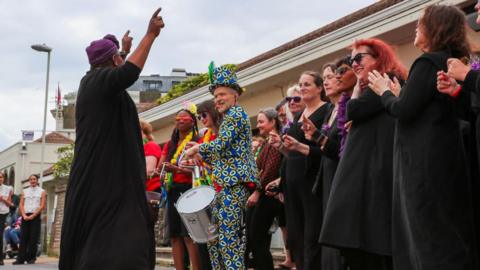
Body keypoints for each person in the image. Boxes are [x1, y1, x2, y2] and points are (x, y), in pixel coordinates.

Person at [369, 5, 477, 270]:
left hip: (424, 162)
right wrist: (400, 93)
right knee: (448, 230)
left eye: (421, 23)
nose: (416, 28)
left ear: (436, 28)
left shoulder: (427, 61)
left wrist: (385, 93)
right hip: (447, 158)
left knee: (428, 233)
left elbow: (404, 111)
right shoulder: (449, 62)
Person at [59, 8, 164, 270]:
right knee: (118, 242)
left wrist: (124, 52)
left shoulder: (97, 82)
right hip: (105, 180)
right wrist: (150, 35)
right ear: (112, 60)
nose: (121, 57)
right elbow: (127, 73)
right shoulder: (96, 82)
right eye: (117, 55)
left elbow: (118, 74)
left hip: (108, 177)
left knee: (110, 237)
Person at [320, 38, 407, 270]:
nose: (354, 63)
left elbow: (354, 110)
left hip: (377, 169)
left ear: (379, 58)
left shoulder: (383, 79)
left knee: (373, 239)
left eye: (359, 58)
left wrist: (357, 90)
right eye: (351, 59)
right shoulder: (373, 82)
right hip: (370, 169)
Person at [184, 63, 259, 270]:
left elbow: (222, 143)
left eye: (222, 94)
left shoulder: (235, 114)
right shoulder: (229, 118)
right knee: (215, 240)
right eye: (216, 95)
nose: (218, 99)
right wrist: (200, 153)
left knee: (227, 240)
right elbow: (224, 153)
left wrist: (197, 149)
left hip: (233, 184)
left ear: (235, 95)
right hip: (224, 185)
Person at [269, 71, 330, 270]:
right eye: (300, 84)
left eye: (307, 84)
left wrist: (300, 147)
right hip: (293, 182)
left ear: (319, 88)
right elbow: (292, 153)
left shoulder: (326, 111)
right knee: (297, 236)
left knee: (312, 236)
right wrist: (281, 146)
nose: (302, 88)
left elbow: (325, 149)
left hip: (311, 181)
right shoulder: (297, 117)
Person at [159, 106, 201, 270]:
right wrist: (161, 171)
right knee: (175, 235)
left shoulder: (196, 142)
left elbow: (199, 168)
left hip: (190, 189)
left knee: (189, 234)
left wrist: (176, 169)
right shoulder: (170, 144)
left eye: (185, 119)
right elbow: (162, 164)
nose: (181, 121)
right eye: (178, 119)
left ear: (192, 122)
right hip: (173, 190)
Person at [246, 108, 283, 270]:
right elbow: (257, 167)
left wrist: (257, 191)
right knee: (255, 237)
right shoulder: (267, 142)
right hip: (263, 194)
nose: (258, 125)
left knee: (257, 237)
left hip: (269, 196)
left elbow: (270, 170)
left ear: (273, 121)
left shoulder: (275, 141)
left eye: (261, 121)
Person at [13, 174, 46, 265]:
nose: (32, 181)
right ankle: (20, 259)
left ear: (37, 180)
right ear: (29, 181)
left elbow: (42, 206)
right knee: (23, 237)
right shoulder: (24, 191)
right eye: (31, 179)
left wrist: (33, 216)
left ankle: (31, 258)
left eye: (34, 179)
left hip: (35, 216)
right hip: (25, 216)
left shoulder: (42, 191)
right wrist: (23, 215)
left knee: (33, 238)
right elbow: (21, 204)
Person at [0, 171, 13, 265]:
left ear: (3, 178)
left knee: (0, 235)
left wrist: (3, 199)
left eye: (1, 177)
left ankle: (1, 258)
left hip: (3, 213)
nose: (0, 178)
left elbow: (10, 204)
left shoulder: (8, 188)